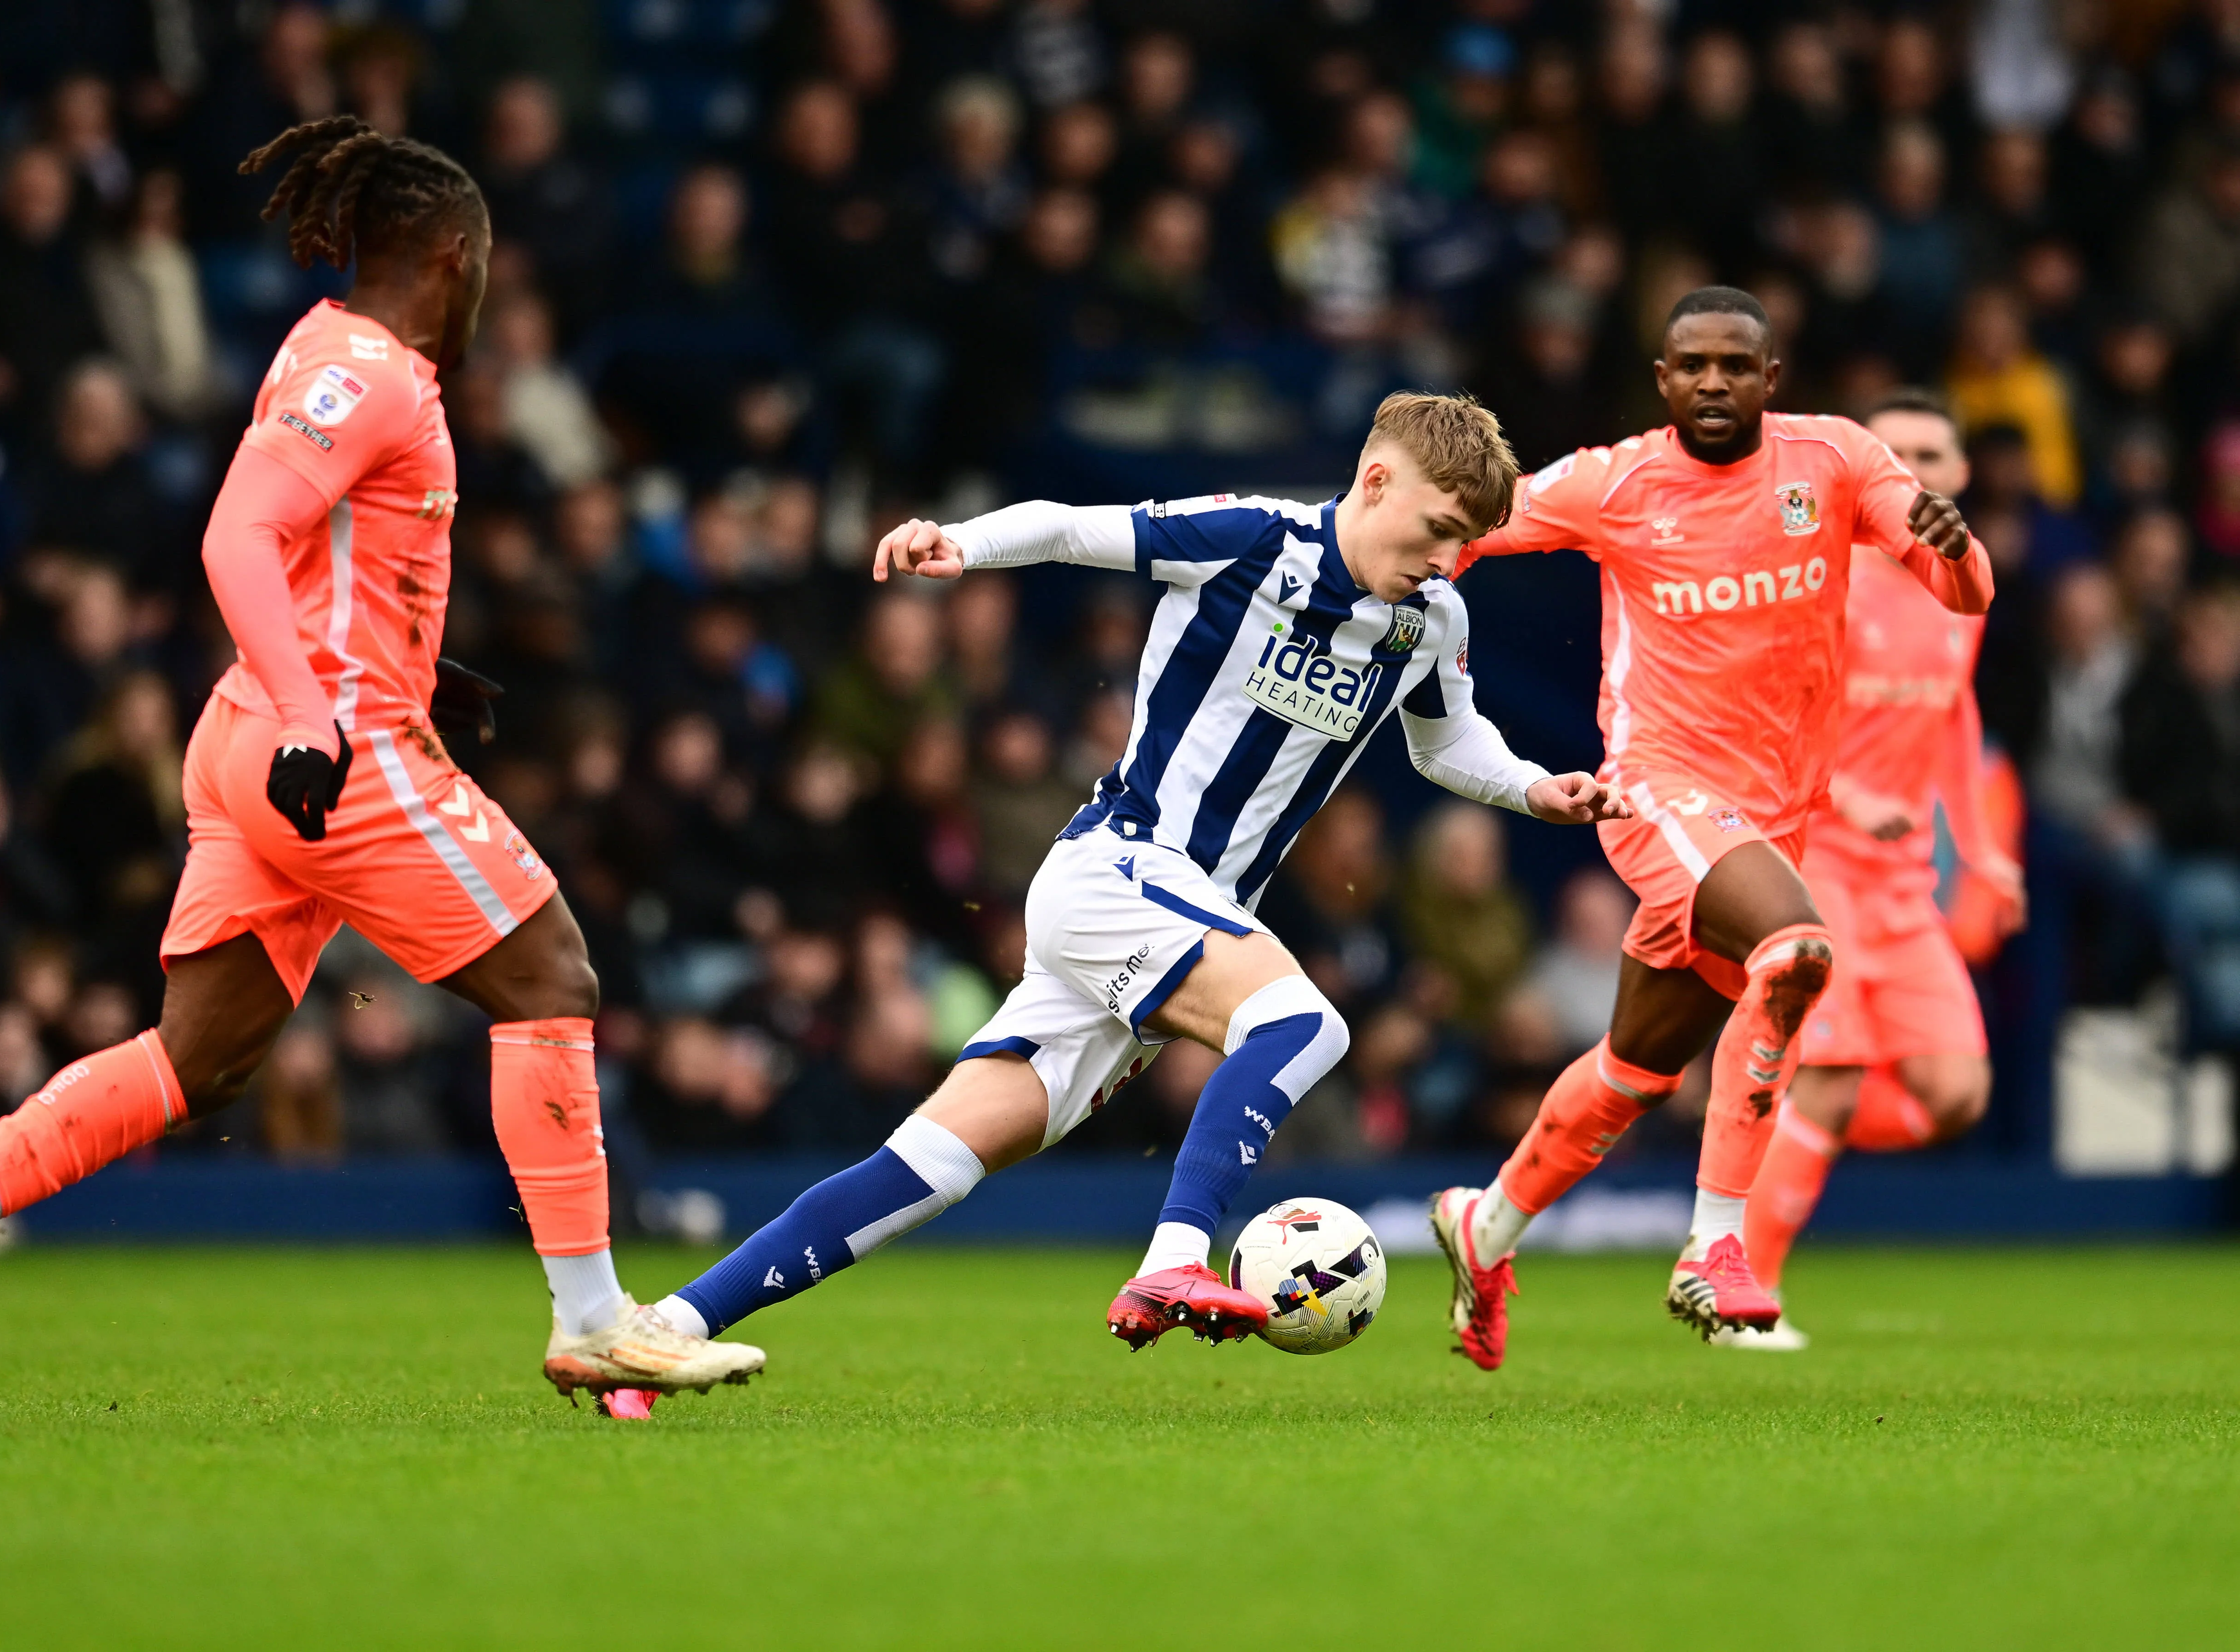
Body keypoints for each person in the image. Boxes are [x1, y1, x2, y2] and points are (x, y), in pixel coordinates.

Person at [0, 117, 763, 1412]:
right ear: (455, 253)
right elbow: (235, 537)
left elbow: (314, 558)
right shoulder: (373, 370)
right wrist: (312, 713)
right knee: (552, 973)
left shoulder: (326, 349)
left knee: (199, 1059)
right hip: (324, 751)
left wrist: (360, 676)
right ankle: (597, 1318)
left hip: (260, 740)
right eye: (486, 264)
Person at [608, 392, 1627, 1412]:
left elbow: (1447, 741)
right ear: (1376, 482)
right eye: (1440, 528)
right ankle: (1178, 1253)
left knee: (932, 1164)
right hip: (1122, 869)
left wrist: (1537, 788)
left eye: (1467, 541)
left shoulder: (1429, 619)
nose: (1447, 557)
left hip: (1182, 912)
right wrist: (955, 544)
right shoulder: (1252, 539)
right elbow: (1066, 525)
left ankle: (659, 1333)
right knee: (1302, 1023)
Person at [1429, 288, 1993, 1369]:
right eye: (1695, 366)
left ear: (1771, 379)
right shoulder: (1616, 480)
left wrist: (1952, 546)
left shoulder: (1833, 460)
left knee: (1635, 1071)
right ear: (1664, 379)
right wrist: (1391, 590)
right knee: (1798, 951)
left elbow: (1963, 592)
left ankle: (1484, 1225)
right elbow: (1471, 528)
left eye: (1738, 366)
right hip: (1661, 790)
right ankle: (1716, 1249)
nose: (1716, 384)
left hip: (1772, 816)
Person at [1724, 391, 2024, 1350]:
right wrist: (1848, 797)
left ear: (1962, 473)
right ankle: (1743, 1296)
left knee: (1957, 1095)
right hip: (1816, 864)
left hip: (1902, 885)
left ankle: (1775, 1139)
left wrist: (1982, 851)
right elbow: (1762, 723)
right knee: (1836, 1080)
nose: (1916, 471)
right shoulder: (1818, 580)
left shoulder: (1959, 587)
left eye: (1933, 453)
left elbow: (1956, 721)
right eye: (1894, 455)